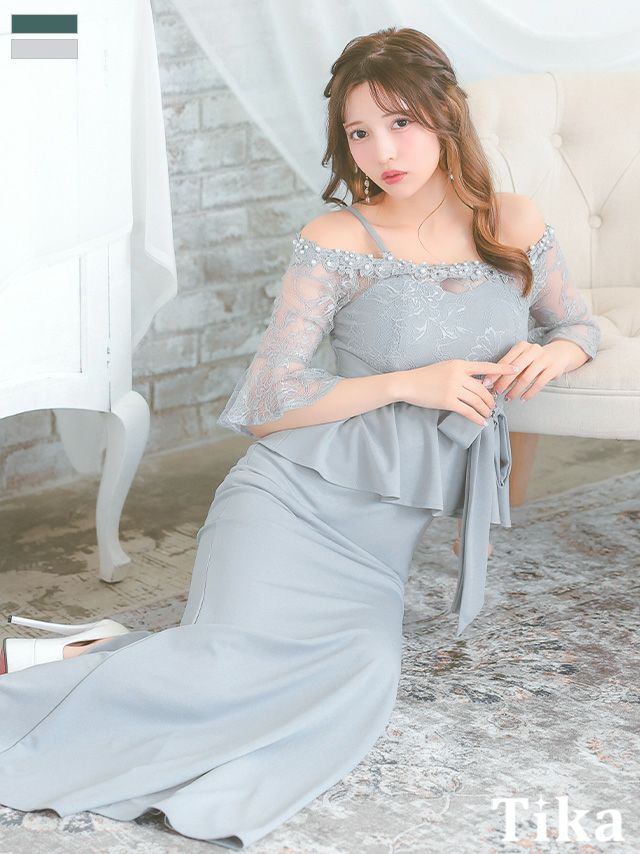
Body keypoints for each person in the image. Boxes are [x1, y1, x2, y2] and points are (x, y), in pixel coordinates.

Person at [0, 26, 600, 850]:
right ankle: (65, 682)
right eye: (360, 132)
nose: (382, 150)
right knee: (229, 667)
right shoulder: (339, 239)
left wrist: (554, 352)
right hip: (288, 506)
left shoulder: (514, 221)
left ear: (446, 115)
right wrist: (406, 383)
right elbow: (268, 396)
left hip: (374, 546)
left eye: (400, 122)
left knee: (359, 675)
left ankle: (88, 654)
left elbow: (578, 324)